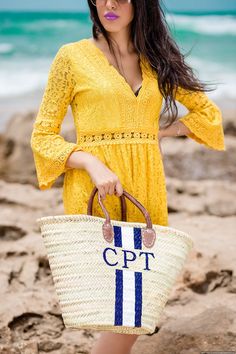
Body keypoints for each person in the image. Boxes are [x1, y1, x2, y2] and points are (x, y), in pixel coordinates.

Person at [30, 0, 226, 353]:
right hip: (96, 188)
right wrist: (90, 162)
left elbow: (207, 112)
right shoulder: (71, 57)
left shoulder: (155, 58)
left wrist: (163, 132)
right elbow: (42, 136)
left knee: (137, 304)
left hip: (145, 186)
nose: (109, 3)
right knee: (112, 302)